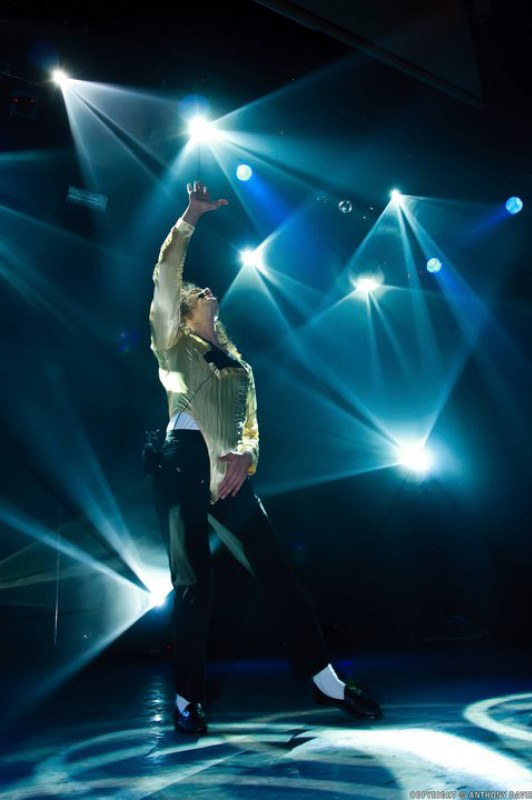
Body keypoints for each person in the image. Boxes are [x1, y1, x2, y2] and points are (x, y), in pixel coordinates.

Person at [149, 180, 382, 735]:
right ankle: (187, 699)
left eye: (207, 289)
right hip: (183, 460)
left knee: (278, 573)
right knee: (195, 583)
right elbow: (166, 275)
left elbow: (252, 427)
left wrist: (245, 459)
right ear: (184, 308)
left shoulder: (240, 364)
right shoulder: (173, 342)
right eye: (197, 291)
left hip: (231, 472)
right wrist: (190, 217)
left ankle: (325, 679)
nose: (207, 290)